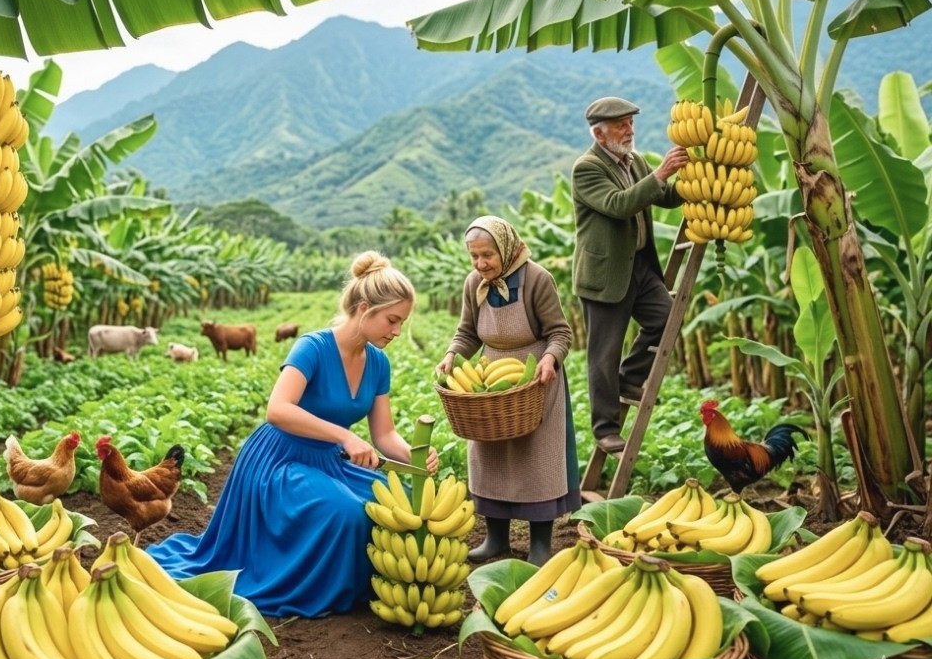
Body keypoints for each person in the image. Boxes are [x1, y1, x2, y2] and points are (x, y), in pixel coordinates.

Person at [148, 251, 439, 618]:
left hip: (328, 462)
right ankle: (325, 591)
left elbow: (385, 435)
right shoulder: (314, 347)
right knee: (348, 513)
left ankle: (368, 586)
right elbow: (278, 409)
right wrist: (345, 437)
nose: (396, 332)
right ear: (364, 308)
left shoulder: (378, 363)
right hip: (279, 459)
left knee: (397, 504)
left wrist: (413, 455)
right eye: (392, 320)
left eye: (401, 323)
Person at [436, 216, 577, 565]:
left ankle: (540, 545)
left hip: (534, 378)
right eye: (474, 257)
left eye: (488, 255)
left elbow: (561, 332)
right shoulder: (474, 284)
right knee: (489, 458)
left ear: (506, 247)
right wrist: (453, 355)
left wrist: (549, 360)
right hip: (490, 376)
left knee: (537, 461)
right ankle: (496, 538)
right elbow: (467, 333)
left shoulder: (537, 279)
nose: (481, 264)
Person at [572, 96, 688, 454]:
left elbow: (664, 197)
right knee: (603, 354)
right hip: (606, 274)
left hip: (639, 265)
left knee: (666, 320)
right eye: (622, 125)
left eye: (630, 123)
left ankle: (631, 378)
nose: (629, 130)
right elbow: (619, 204)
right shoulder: (586, 168)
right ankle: (605, 429)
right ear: (599, 132)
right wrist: (662, 172)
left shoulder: (633, 160)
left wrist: (698, 176)